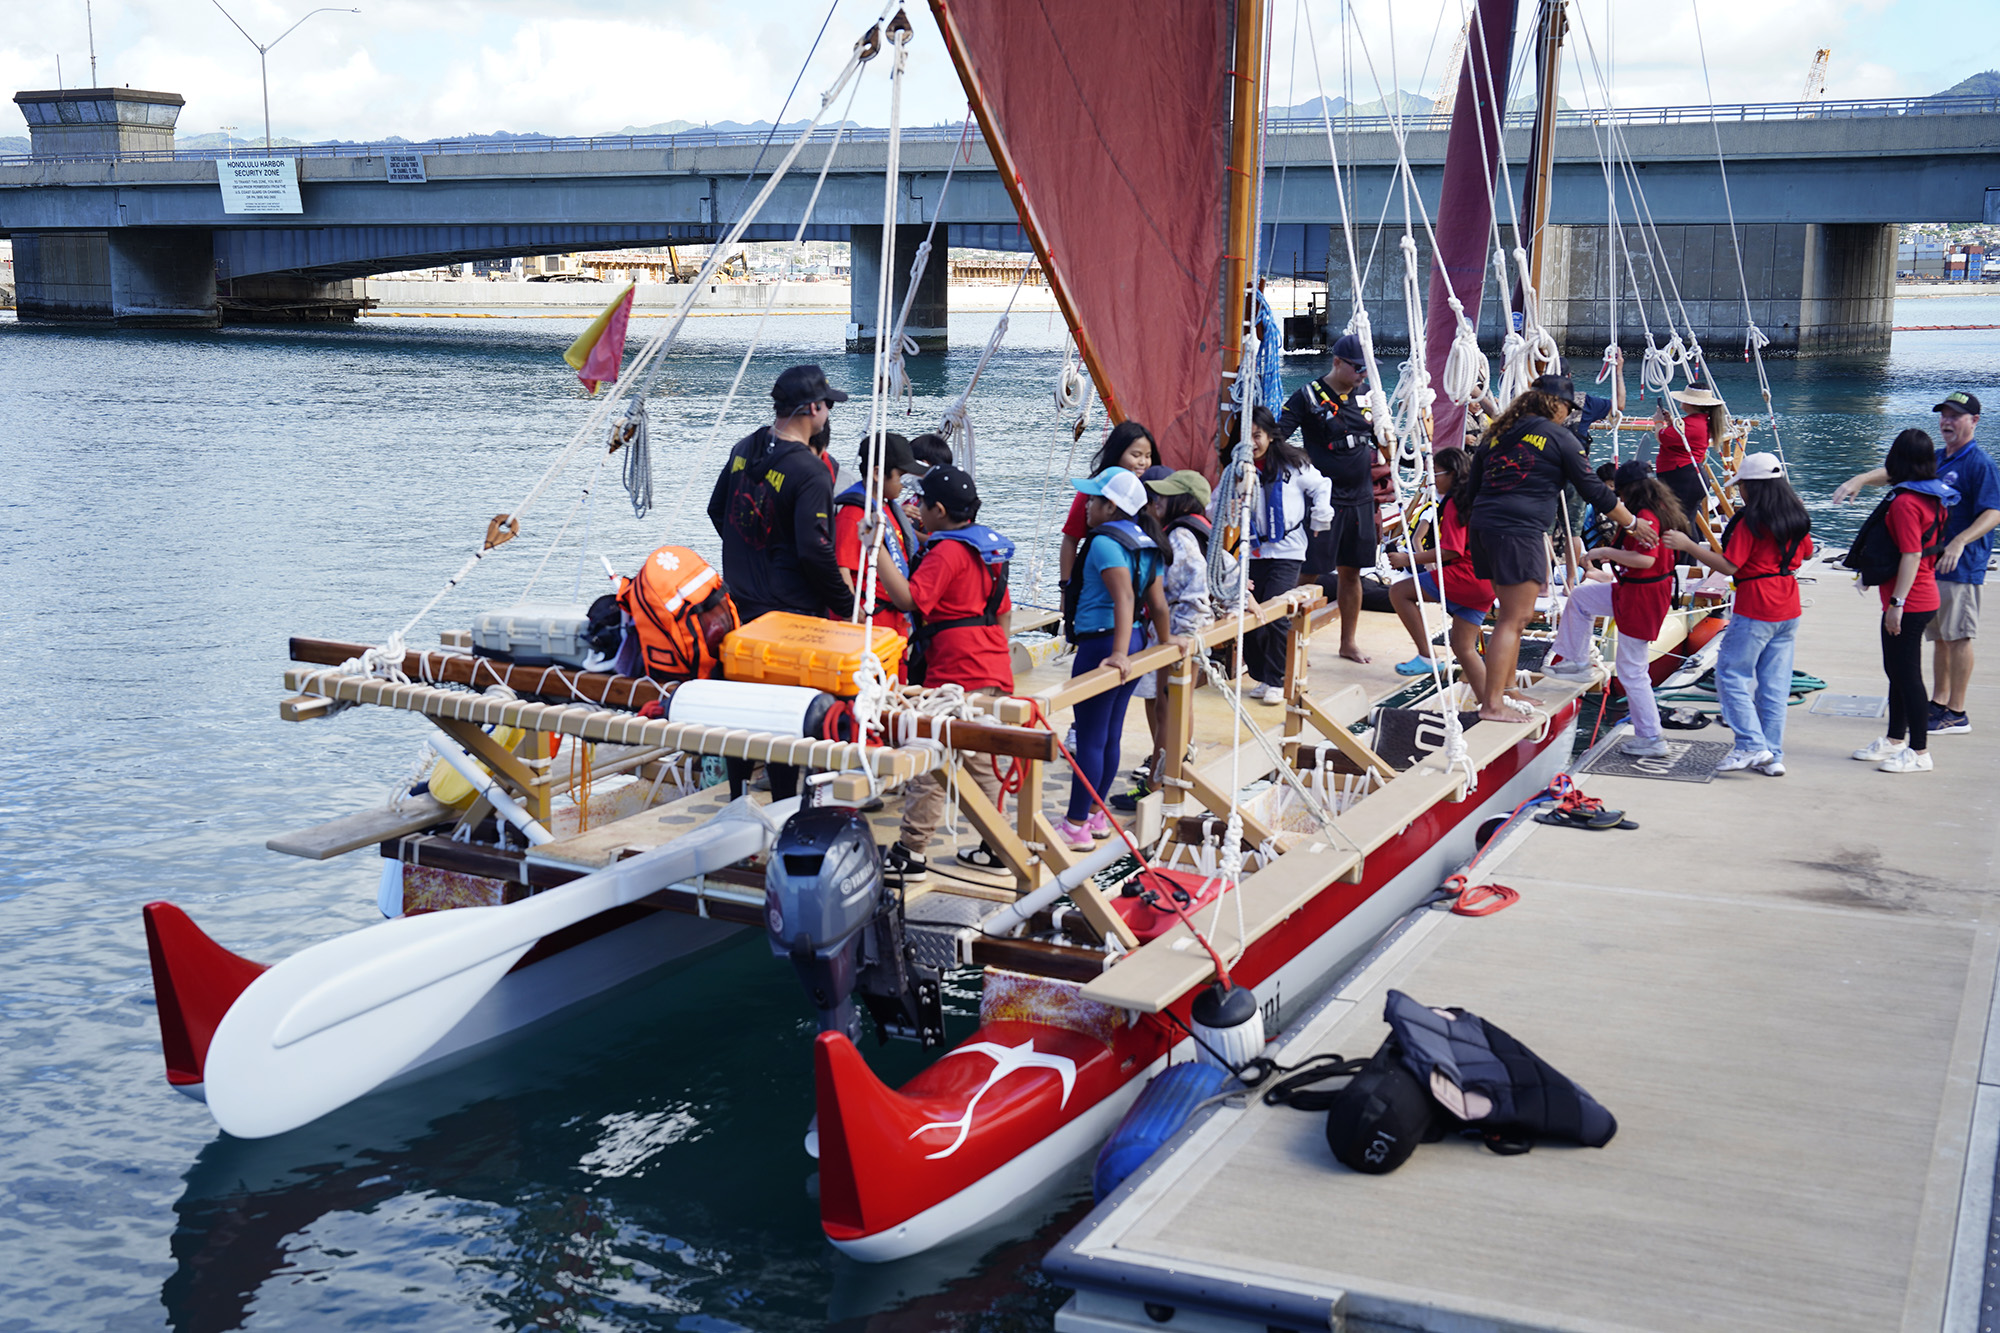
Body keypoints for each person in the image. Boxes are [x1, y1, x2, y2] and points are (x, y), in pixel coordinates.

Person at [1463, 373, 1654, 724]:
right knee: (1513, 618)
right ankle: (1492, 704)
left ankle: (1508, 690)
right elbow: (1594, 490)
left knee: (1510, 615)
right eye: (1568, 408)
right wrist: (1632, 523)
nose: (1569, 415)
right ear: (1555, 404)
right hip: (1519, 532)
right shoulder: (1559, 437)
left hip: (1485, 528)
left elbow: (1472, 488)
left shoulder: (1497, 433)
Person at [707, 364, 854, 798]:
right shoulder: (810, 471)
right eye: (827, 404)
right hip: (788, 613)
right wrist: (845, 605)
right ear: (811, 408)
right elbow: (815, 550)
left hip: (738, 605)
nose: (829, 412)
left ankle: (739, 798)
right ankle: (788, 807)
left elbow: (718, 510)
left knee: (741, 709)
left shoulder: (743, 449)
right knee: (785, 716)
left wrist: (750, 550)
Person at [877, 465, 1018, 885]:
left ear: (939, 509)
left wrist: (877, 548)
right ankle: (997, 846)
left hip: (955, 673)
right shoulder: (985, 549)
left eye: (922, 503)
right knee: (985, 760)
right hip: (991, 665)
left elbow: (910, 598)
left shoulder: (947, 552)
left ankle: (912, 851)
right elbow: (1004, 610)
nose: (916, 508)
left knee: (930, 760)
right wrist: (994, 656)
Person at [1835, 391, 1998, 737]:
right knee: (1939, 637)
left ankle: (1957, 710)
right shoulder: (1939, 459)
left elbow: (1994, 512)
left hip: (1962, 564)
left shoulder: (1978, 463)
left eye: (1956, 416)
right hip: (1932, 564)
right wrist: (1860, 479)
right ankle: (1938, 703)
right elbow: (1899, 471)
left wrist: (1959, 541)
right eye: (1944, 415)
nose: (1947, 422)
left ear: (1974, 421)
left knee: (1959, 636)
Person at [1058, 466, 1185, 850]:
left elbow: (1125, 598)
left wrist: (1115, 654)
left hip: (1103, 645)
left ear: (1110, 506)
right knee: (1109, 734)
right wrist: (1164, 646)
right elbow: (1157, 604)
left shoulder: (1102, 543)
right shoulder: (1146, 543)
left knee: (1090, 738)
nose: (1087, 507)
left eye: (1093, 500)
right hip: (1134, 643)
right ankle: (1096, 815)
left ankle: (1076, 824)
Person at [1665, 452, 1812, 775]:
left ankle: (1750, 744)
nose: (1740, 490)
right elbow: (1806, 553)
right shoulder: (1795, 514)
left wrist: (1689, 545)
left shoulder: (1751, 520)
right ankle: (1772, 754)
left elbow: (1730, 565)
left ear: (1752, 487)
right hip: (1788, 605)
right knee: (1774, 685)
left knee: (1731, 675)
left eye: (1742, 484)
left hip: (1756, 605)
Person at [1546, 461, 1689, 758]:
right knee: (1582, 599)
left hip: (1642, 597)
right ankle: (1578, 658)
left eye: (1620, 494)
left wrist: (1605, 552)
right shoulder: (1661, 507)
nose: (1620, 501)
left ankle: (1651, 737)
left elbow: (1647, 561)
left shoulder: (1647, 516)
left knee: (1632, 670)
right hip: (1632, 591)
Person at [1848, 429, 1955, 773]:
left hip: (1910, 601)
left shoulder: (1908, 503)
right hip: (1921, 595)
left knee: (1907, 675)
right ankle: (1895, 739)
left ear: (1897, 460)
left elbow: (1911, 554)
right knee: (1896, 671)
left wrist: (1897, 603)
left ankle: (1920, 752)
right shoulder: (1934, 497)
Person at [1211, 405, 1331, 704]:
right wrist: (1226, 508)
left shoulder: (1294, 464)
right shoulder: (1234, 471)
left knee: (1275, 612)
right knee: (1250, 615)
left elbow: (1321, 487)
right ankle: (1262, 675)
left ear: (1269, 436)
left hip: (1287, 550)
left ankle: (1277, 678)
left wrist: (1320, 518)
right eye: (1245, 437)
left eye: (1257, 435)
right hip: (1248, 553)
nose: (1252, 443)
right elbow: (1212, 508)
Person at [1114, 469, 1217, 810]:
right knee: (1174, 706)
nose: (1156, 501)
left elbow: (1179, 590)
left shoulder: (1178, 539)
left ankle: (1158, 783)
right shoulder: (1197, 533)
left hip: (1177, 633)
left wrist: (1174, 635)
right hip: (1187, 630)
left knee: (1166, 710)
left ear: (1182, 500)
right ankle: (1172, 770)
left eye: (1164, 496)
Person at [1276, 332, 1382, 662]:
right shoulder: (1306, 396)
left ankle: (1347, 642)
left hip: (1361, 499)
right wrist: (1301, 463)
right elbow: (1278, 437)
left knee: (1352, 573)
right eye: (1358, 368)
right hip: (1324, 502)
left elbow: (1382, 434)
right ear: (1337, 362)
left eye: (1367, 369)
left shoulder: (1367, 394)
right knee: (1308, 572)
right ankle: (1289, 643)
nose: (1363, 374)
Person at [1385, 448, 1492, 700]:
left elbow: (1450, 551)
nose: (1432, 479)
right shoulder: (1477, 499)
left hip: (1465, 576)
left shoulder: (1455, 503)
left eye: (1436, 473)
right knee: (1463, 648)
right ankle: (1490, 703)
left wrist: (1406, 558)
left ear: (1452, 474)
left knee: (1399, 592)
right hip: (1487, 583)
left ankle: (1426, 655)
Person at [833, 431, 926, 646]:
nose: (904, 484)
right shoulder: (854, 514)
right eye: (901, 476)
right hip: (870, 624)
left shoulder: (890, 508)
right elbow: (841, 568)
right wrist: (852, 613)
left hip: (893, 624)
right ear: (877, 473)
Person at [1058, 422, 1155, 585]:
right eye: (1136, 455)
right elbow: (1070, 540)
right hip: (1097, 578)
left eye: (1147, 456)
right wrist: (1065, 587)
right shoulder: (1093, 491)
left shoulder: (1153, 491)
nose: (1143, 462)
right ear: (1117, 453)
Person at [1653, 388, 1726, 521]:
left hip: (1682, 476)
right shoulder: (1699, 422)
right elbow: (1679, 439)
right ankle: (1696, 540)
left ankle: (1689, 541)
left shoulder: (1691, 424)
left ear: (1690, 403)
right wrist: (1670, 422)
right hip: (1689, 475)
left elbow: (1662, 437)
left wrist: (1658, 422)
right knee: (1689, 519)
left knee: (1679, 521)